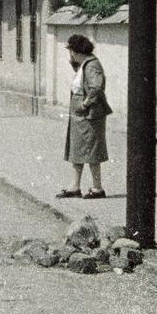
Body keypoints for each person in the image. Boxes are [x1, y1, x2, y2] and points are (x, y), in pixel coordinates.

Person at [57, 34, 111, 199]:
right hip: (80, 116)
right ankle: (75, 186)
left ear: (76, 50)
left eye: (71, 51)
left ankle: (97, 188)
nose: (70, 54)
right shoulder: (84, 64)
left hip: (89, 115)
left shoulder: (92, 65)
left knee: (92, 151)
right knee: (77, 150)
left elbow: (96, 87)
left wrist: (84, 104)